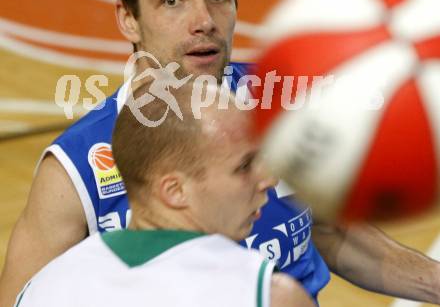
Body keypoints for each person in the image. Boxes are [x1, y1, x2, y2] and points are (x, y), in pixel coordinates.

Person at [1, 0, 440, 307]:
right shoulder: (76, 168)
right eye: (173, 0)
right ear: (128, 18)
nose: (204, 20)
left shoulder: (283, 105)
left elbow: (331, 234)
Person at [13, 83, 315, 307]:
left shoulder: (43, 287)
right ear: (175, 191)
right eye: (244, 166)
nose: (268, 179)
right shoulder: (264, 294)